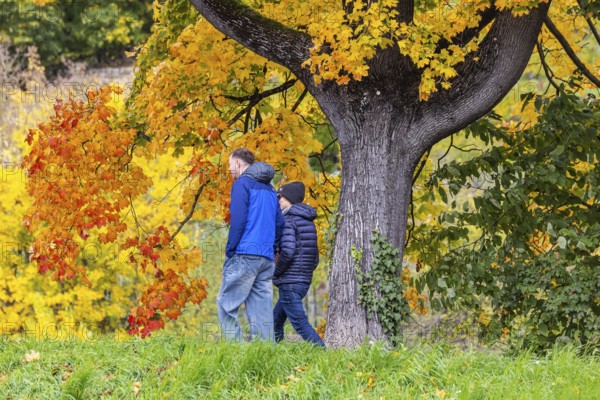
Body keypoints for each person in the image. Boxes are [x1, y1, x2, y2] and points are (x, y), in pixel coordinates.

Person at [217, 148, 284, 341]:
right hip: (266, 258)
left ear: (238, 164)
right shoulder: (271, 190)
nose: (229, 170)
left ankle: (235, 351)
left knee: (225, 304)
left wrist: (230, 250)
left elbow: (238, 220)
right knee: (261, 311)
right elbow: (280, 223)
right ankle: (264, 353)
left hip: (245, 254)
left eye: (230, 165)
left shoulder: (242, 185)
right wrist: (273, 249)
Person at [273, 181, 325, 347]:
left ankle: (323, 355)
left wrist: (276, 273)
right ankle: (275, 355)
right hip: (302, 282)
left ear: (290, 199)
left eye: (280, 196)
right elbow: (315, 258)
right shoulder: (307, 221)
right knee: (275, 321)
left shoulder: (288, 220)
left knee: (300, 324)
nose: (278, 200)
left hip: (290, 281)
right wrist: (303, 273)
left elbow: (287, 252)